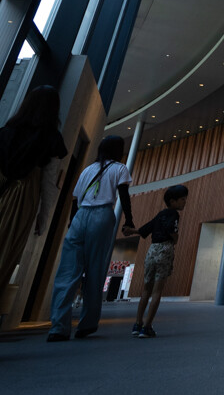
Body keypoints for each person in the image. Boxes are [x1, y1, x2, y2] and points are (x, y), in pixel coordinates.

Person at [47, 135, 133, 341]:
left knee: (67, 271)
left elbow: (75, 200)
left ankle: (58, 327)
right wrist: (129, 220)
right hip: (102, 216)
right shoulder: (120, 168)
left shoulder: (87, 169)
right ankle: (87, 324)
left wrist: (72, 222)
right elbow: (123, 195)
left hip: (80, 216)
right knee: (95, 269)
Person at [0, 85, 67, 300]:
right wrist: (43, 217)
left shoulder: (6, 131)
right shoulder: (51, 138)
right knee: (6, 254)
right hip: (22, 198)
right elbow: (49, 183)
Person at [129, 184, 188, 337]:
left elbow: (145, 229)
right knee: (157, 291)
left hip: (152, 250)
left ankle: (137, 324)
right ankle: (147, 327)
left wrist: (132, 230)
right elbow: (172, 230)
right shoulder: (174, 214)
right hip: (165, 250)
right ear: (173, 201)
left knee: (146, 289)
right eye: (182, 199)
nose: (184, 202)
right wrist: (175, 238)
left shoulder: (160, 214)